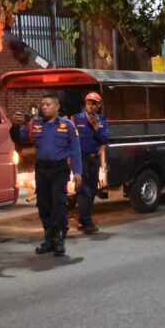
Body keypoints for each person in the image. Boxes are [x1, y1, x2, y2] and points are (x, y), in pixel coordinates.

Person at [10, 94, 82, 257]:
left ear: (57, 107)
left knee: (59, 203)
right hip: (42, 170)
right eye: (42, 104)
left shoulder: (67, 125)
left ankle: (59, 239)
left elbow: (75, 150)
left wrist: (78, 172)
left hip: (59, 170)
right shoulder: (35, 125)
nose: (44, 107)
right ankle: (49, 238)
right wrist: (16, 123)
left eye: (48, 104)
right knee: (44, 204)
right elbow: (17, 137)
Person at [72, 92, 109, 234]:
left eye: (94, 103)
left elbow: (105, 139)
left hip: (94, 159)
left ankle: (85, 218)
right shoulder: (76, 119)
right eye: (89, 103)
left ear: (99, 105)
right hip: (81, 158)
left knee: (92, 190)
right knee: (83, 189)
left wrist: (96, 127)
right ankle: (85, 221)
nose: (91, 106)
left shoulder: (102, 121)